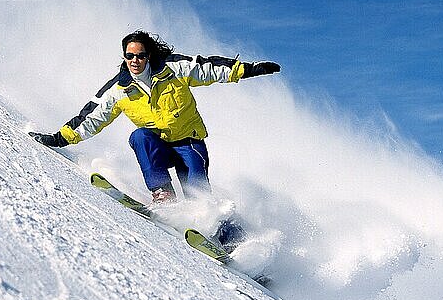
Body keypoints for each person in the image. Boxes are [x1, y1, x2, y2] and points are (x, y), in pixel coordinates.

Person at [30, 30, 280, 203]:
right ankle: (163, 194)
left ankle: (226, 237)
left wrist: (248, 70)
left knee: (199, 196)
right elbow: (91, 117)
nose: (135, 60)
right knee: (139, 136)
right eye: (129, 56)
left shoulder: (173, 68)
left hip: (188, 143)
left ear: (148, 55)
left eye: (140, 55)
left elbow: (208, 68)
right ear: (124, 57)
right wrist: (60, 139)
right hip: (158, 146)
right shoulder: (119, 89)